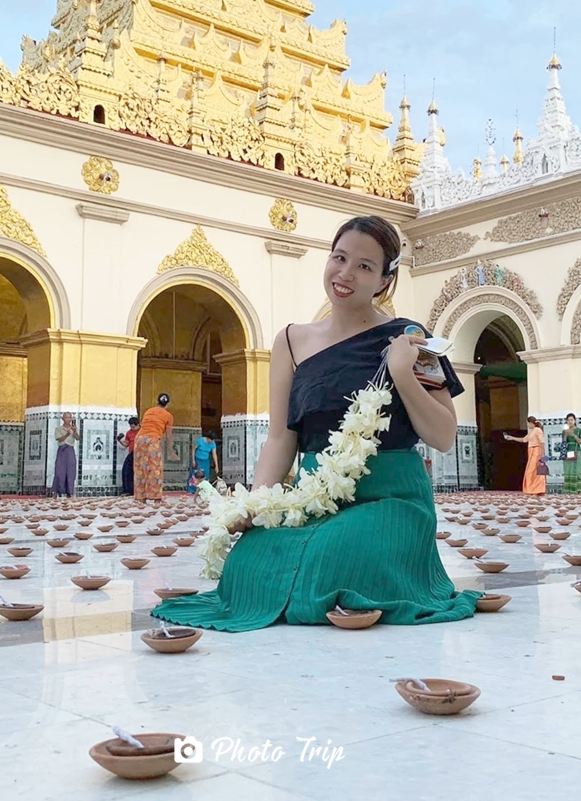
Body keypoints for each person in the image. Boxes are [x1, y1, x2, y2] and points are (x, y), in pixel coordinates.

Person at [153, 214, 480, 632]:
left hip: (392, 501)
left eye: (364, 266)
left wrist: (401, 372)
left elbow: (443, 435)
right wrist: (255, 506)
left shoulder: (411, 337)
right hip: (314, 497)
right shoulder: (291, 341)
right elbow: (279, 439)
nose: (345, 274)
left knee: (328, 554)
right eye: (339, 258)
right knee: (251, 558)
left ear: (384, 280)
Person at [135, 393, 174, 501]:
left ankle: (141, 497)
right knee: (155, 469)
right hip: (153, 440)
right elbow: (169, 436)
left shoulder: (149, 411)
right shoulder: (168, 415)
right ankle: (156, 498)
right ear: (168, 404)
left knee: (140, 468)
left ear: (157, 401)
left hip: (139, 439)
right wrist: (171, 451)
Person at [504, 416, 547, 495]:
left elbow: (542, 442)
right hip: (531, 452)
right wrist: (512, 438)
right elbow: (524, 440)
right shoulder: (532, 431)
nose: (527, 424)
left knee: (533, 471)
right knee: (531, 471)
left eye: (527, 423)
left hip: (536, 451)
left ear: (530, 423)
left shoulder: (537, 430)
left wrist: (542, 454)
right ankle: (533, 489)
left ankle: (536, 489)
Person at [51, 412, 80, 498]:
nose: (69, 419)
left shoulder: (74, 428)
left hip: (70, 450)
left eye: (70, 417)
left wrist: (74, 431)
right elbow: (60, 439)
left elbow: (78, 438)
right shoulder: (59, 429)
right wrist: (68, 433)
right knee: (59, 471)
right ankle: (56, 491)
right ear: (63, 419)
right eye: (67, 417)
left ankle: (69, 492)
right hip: (62, 450)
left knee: (70, 471)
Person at [560, 413, 581, 494]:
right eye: (568, 420)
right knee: (568, 470)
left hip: (576, 451)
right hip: (568, 452)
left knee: (577, 470)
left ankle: (578, 489)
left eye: (571, 420)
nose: (570, 422)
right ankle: (568, 489)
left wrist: (574, 435)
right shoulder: (564, 431)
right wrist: (566, 435)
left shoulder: (580, 430)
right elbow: (563, 443)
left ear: (575, 421)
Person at [118, 416, 139, 496]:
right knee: (126, 471)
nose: (132, 428)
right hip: (131, 453)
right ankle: (127, 490)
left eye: (133, 427)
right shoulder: (129, 433)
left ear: (138, 425)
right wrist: (119, 440)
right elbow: (126, 444)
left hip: (141, 454)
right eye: (131, 426)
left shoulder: (142, 431)